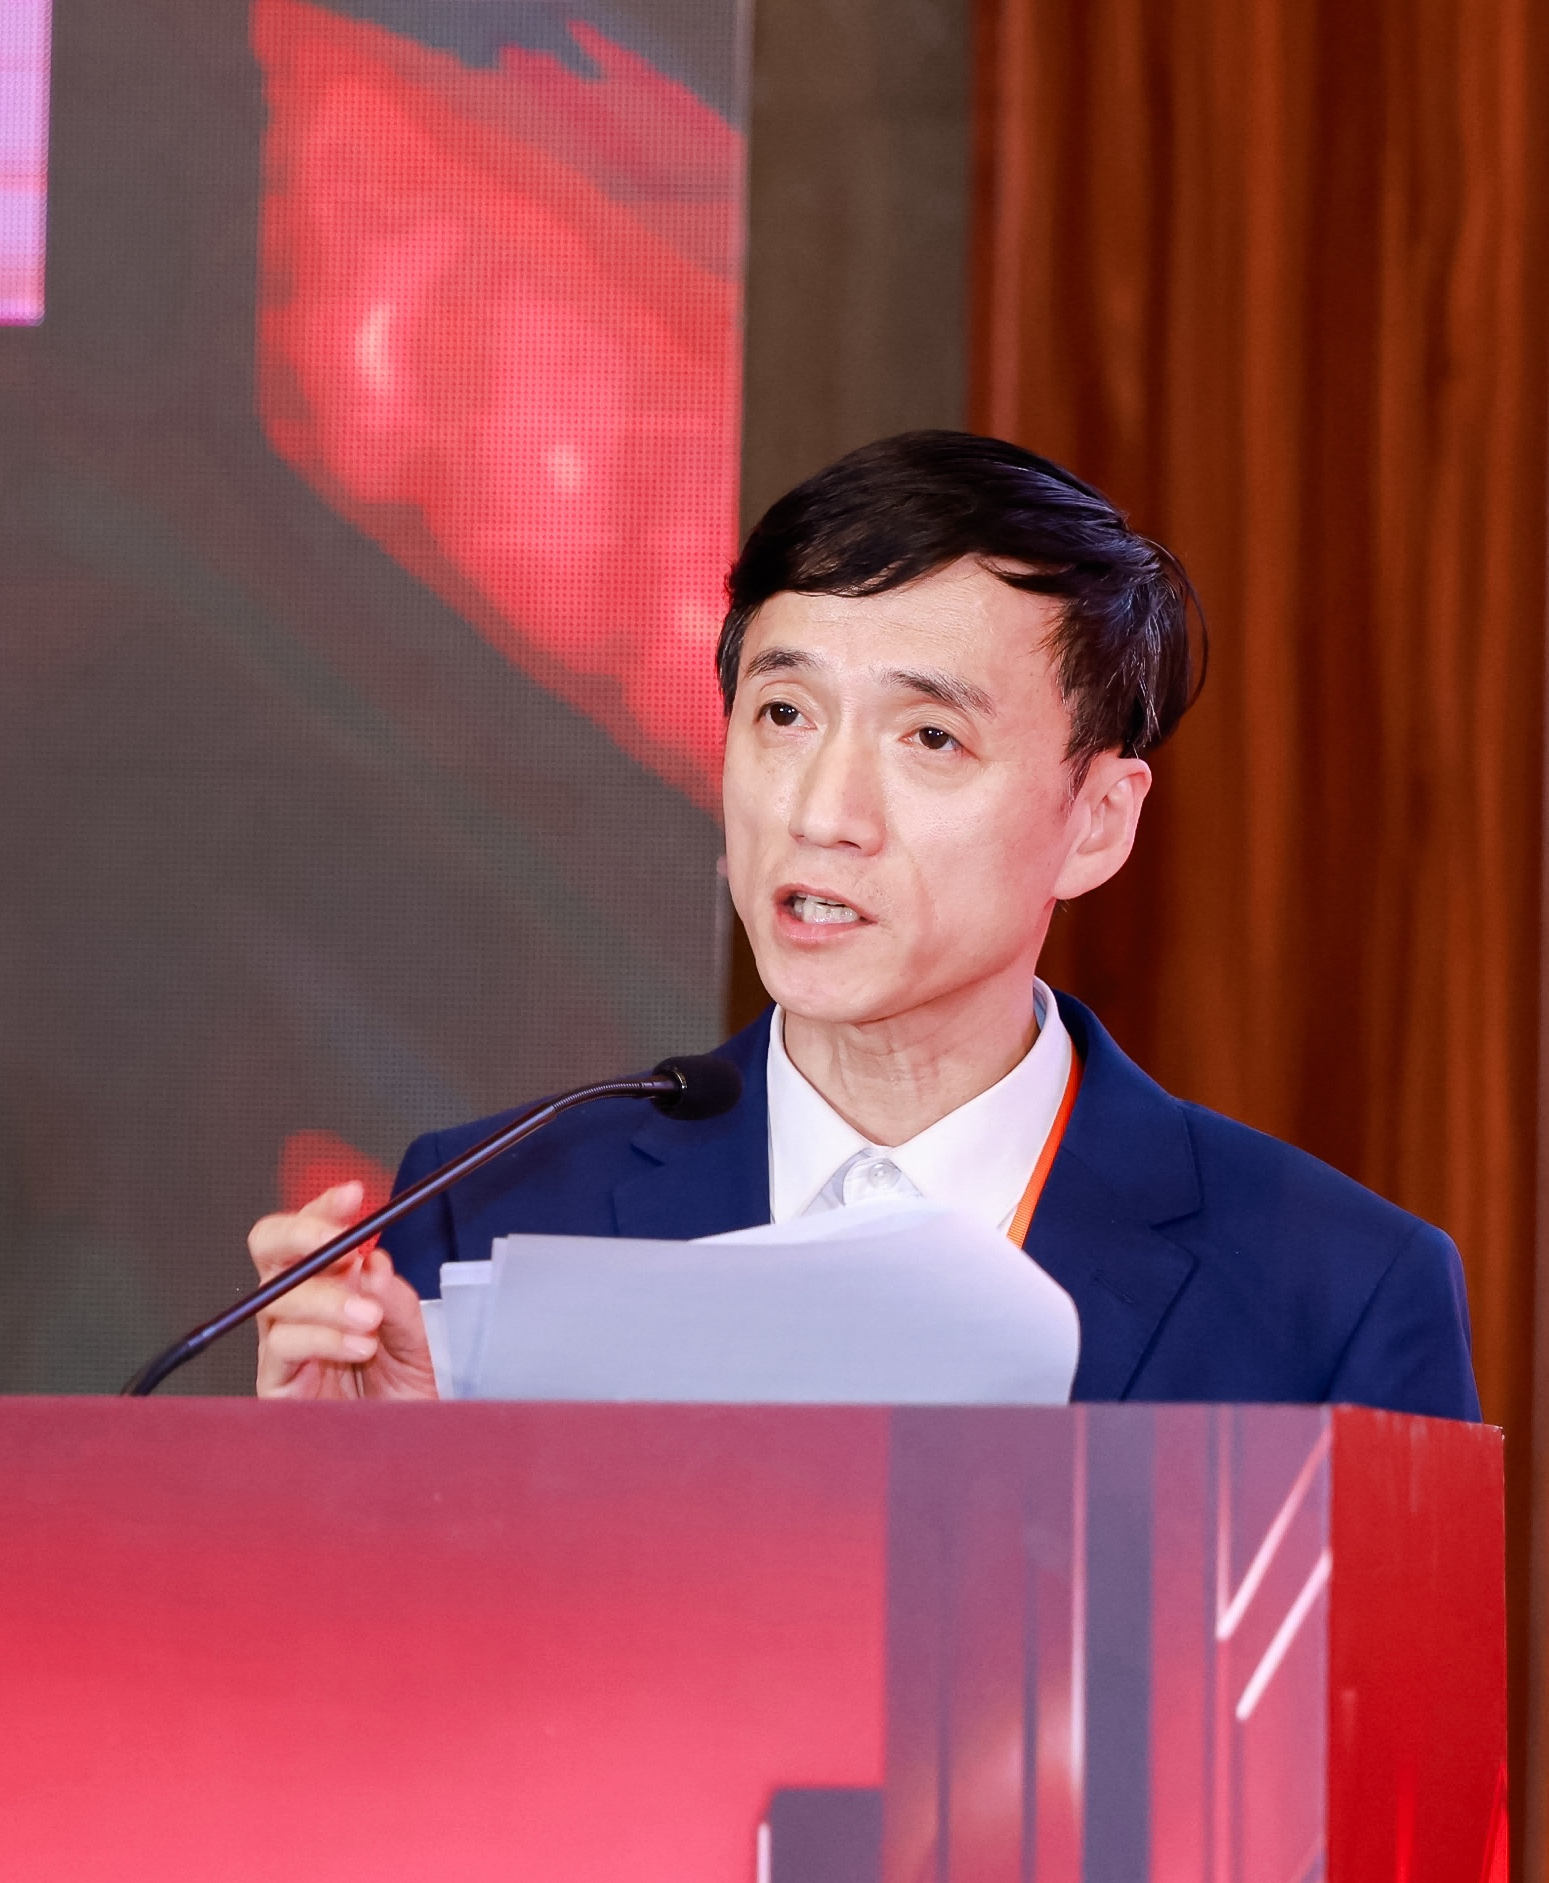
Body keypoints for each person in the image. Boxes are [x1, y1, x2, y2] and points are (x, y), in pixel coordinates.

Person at [246, 429, 1479, 1416]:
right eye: (783, 715)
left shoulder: (1336, 1297)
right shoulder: (487, 1212)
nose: (824, 813)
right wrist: (339, 1483)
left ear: (1097, 823)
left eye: (929, 737)